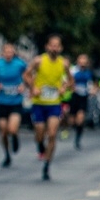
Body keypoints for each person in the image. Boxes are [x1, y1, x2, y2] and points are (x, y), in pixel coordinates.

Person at [23, 35, 69, 180]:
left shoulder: (64, 64)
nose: (54, 48)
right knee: (39, 132)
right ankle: (40, 146)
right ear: (47, 47)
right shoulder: (39, 61)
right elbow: (26, 75)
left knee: (53, 134)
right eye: (52, 45)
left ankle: (47, 165)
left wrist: (64, 88)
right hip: (39, 103)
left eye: (57, 46)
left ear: (60, 48)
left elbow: (70, 81)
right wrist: (33, 88)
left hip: (54, 103)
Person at [0, 43, 26, 167]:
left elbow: (28, 75)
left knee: (12, 128)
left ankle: (15, 137)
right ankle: (7, 154)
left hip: (16, 101)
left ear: (14, 53)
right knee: (4, 131)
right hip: (2, 102)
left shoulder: (20, 64)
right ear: (2, 53)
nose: (8, 54)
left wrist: (23, 85)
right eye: (6, 51)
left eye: (11, 52)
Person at [68, 54, 94, 150]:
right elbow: (67, 80)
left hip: (83, 97)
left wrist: (92, 90)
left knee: (81, 118)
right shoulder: (73, 70)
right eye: (81, 61)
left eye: (84, 61)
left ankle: (78, 139)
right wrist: (71, 87)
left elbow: (90, 84)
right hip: (74, 96)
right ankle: (72, 127)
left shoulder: (88, 73)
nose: (83, 63)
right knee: (72, 120)